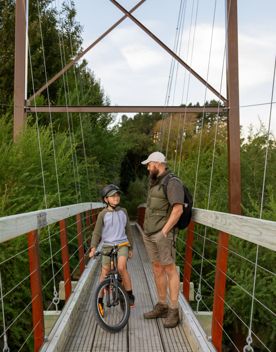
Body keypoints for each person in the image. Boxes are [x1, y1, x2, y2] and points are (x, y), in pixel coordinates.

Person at [141, 151, 184, 328]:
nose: (147, 168)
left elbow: (178, 209)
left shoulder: (172, 182)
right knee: (157, 268)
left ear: (157, 164)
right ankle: (162, 305)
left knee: (169, 269)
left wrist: (165, 231)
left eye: (149, 165)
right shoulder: (155, 182)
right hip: (149, 234)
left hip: (162, 235)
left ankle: (174, 310)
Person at [89, 184, 135, 312]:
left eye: (117, 195)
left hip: (122, 244)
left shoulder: (123, 211)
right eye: (112, 196)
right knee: (105, 273)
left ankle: (130, 294)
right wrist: (93, 248)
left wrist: (130, 248)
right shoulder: (102, 214)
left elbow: (129, 230)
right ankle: (99, 301)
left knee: (121, 267)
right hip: (108, 245)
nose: (116, 198)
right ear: (106, 199)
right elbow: (97, 232)